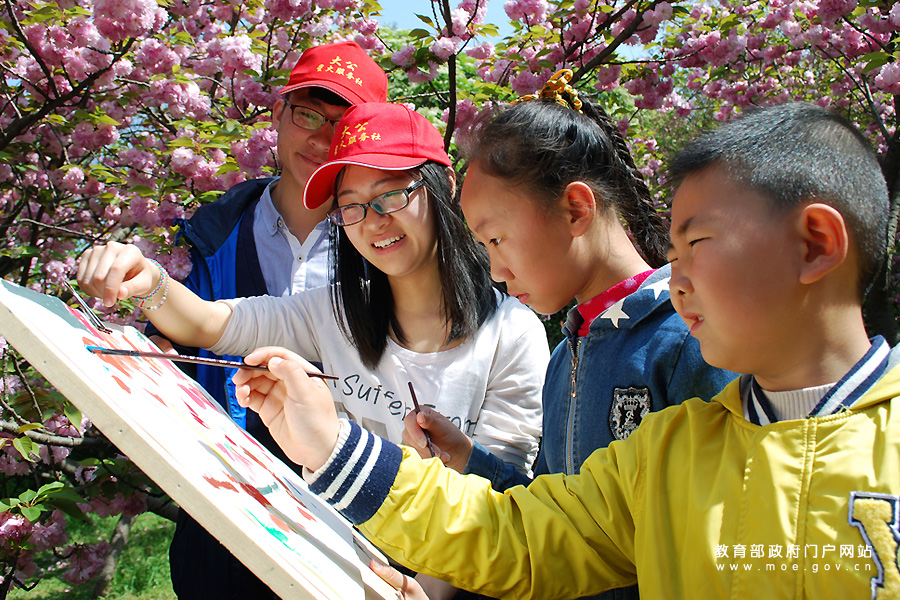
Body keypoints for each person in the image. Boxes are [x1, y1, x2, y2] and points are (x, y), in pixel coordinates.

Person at [230, 101, 900, 599]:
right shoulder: (664, 452)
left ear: (813, 245)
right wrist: (335, 449)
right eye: (672, 249)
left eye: (696, 245)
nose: (680, 277)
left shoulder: (672, 365)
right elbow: (529, 528)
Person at [77, 102, 549, 593]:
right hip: (327, 573)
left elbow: (496, 494)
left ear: (442, 188)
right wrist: (147, 278)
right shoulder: (336, 312)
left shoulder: (512, 335)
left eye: (390, 195)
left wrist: (425, 593)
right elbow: (213, 324)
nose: (373, 222)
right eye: (350, 206)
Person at [401, 71, 735, 600]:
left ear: (576, 209)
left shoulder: (689, 337)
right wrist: (470, 459)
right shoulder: (565, 358)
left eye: (496, 238)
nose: (495, 270)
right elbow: (560, 520)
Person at [151, 40, 388, 599]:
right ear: (278, 111)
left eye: (344, 123)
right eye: (309, 113)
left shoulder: (388, 248)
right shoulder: (210, 237)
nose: (322, 138)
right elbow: (181, 344)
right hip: (220, 501)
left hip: (348, 513)